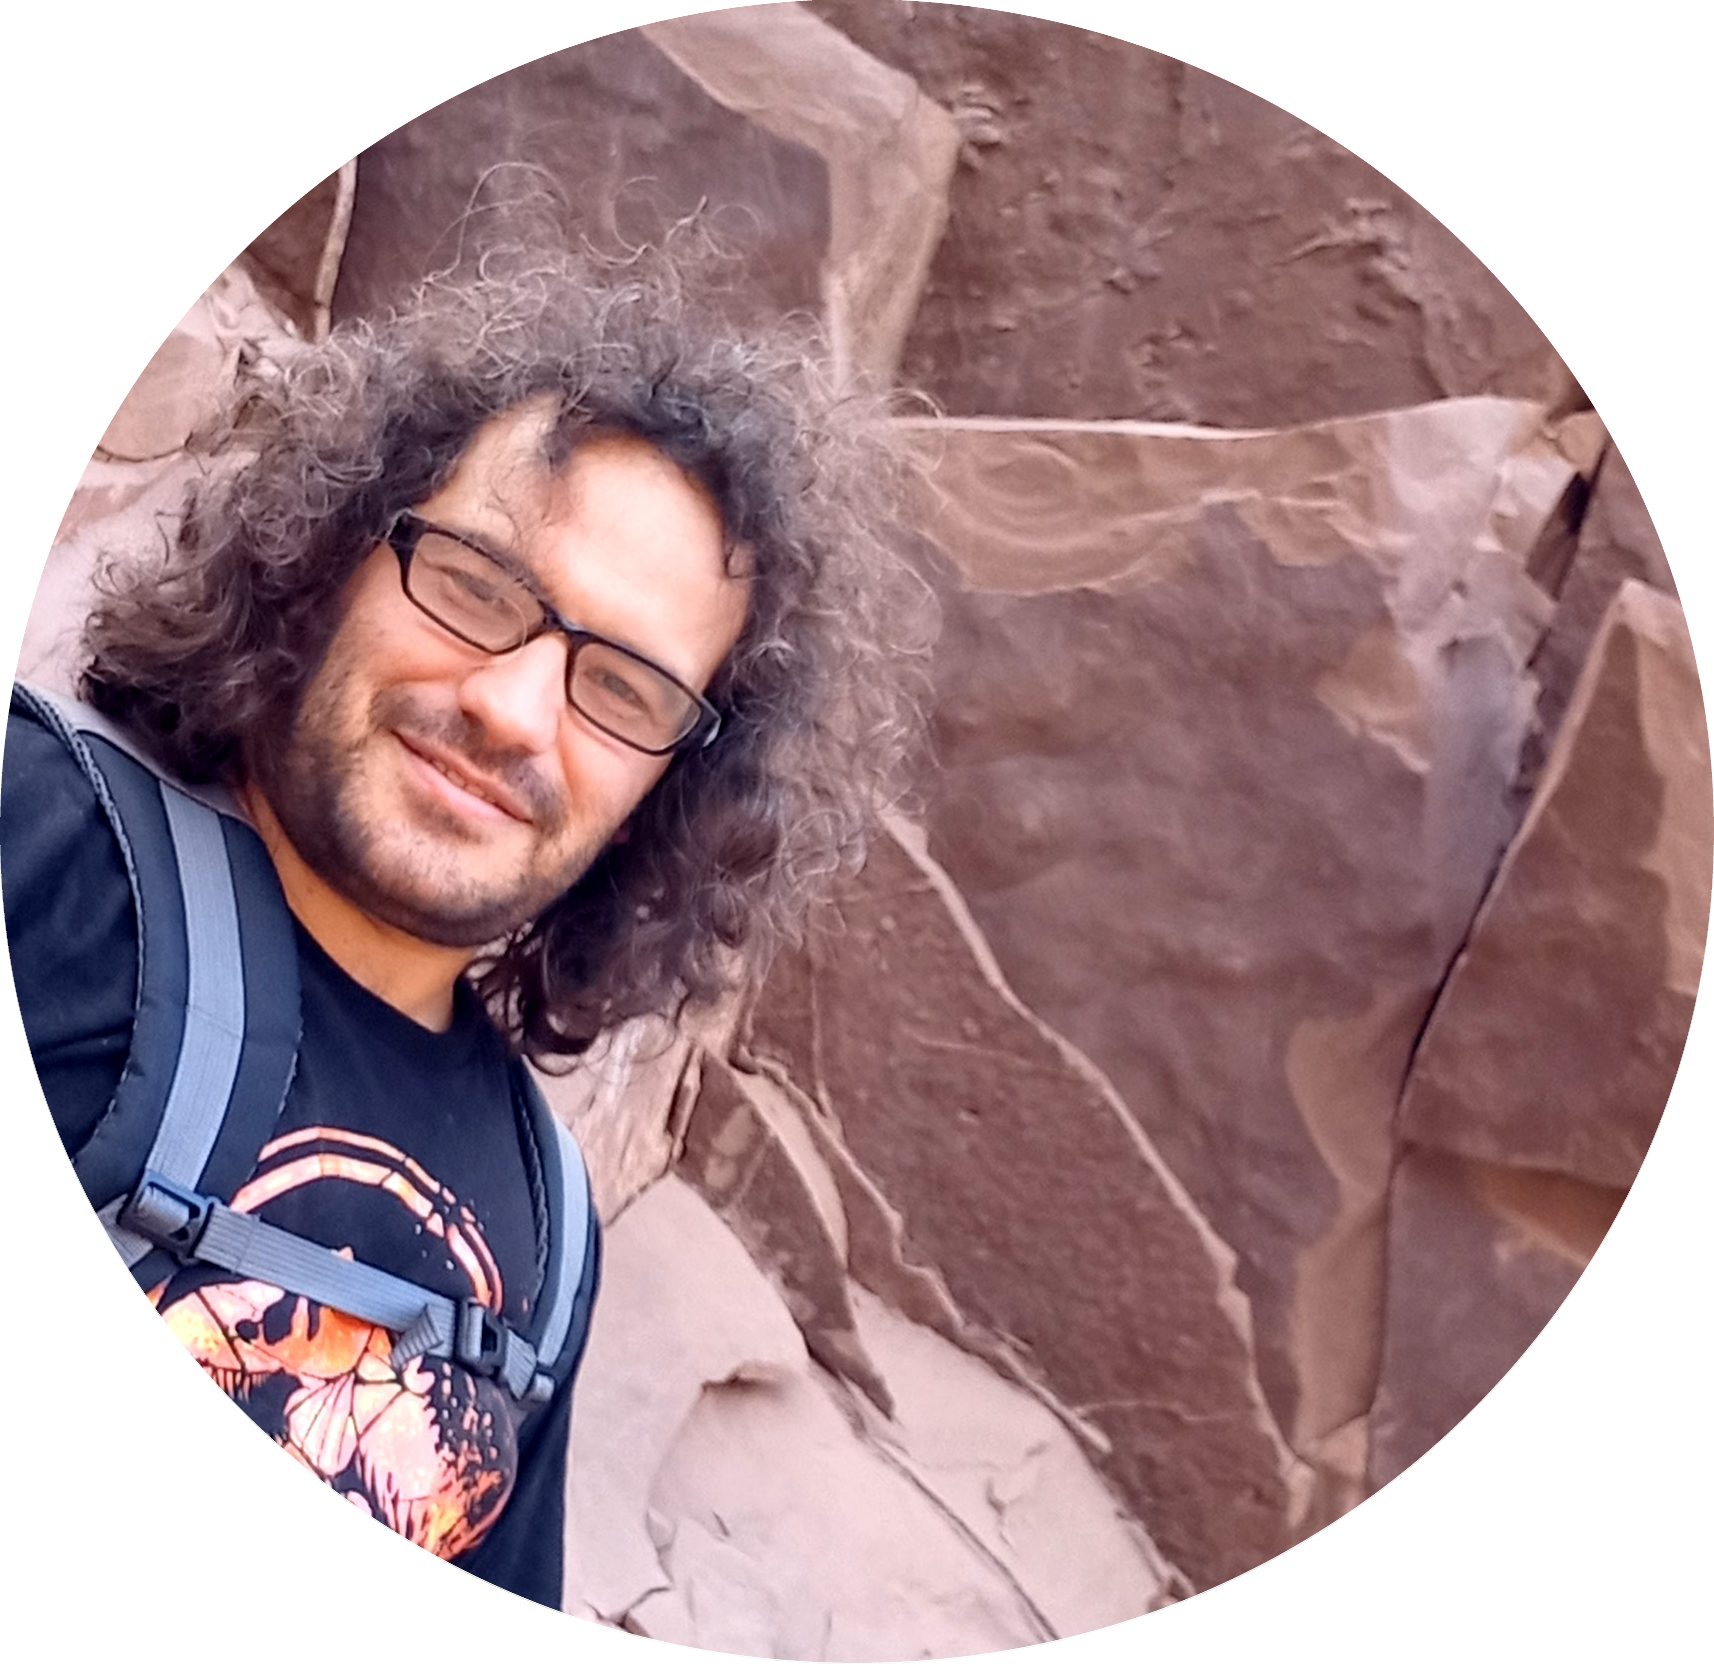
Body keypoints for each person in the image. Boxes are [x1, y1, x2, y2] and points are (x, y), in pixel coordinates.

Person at [2, 243, 930, 1607]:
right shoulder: (37, 837)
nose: (512, 710)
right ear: (331, 559)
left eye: (623, 687)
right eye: (478, 586)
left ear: (669, 796)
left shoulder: (547, 1245)